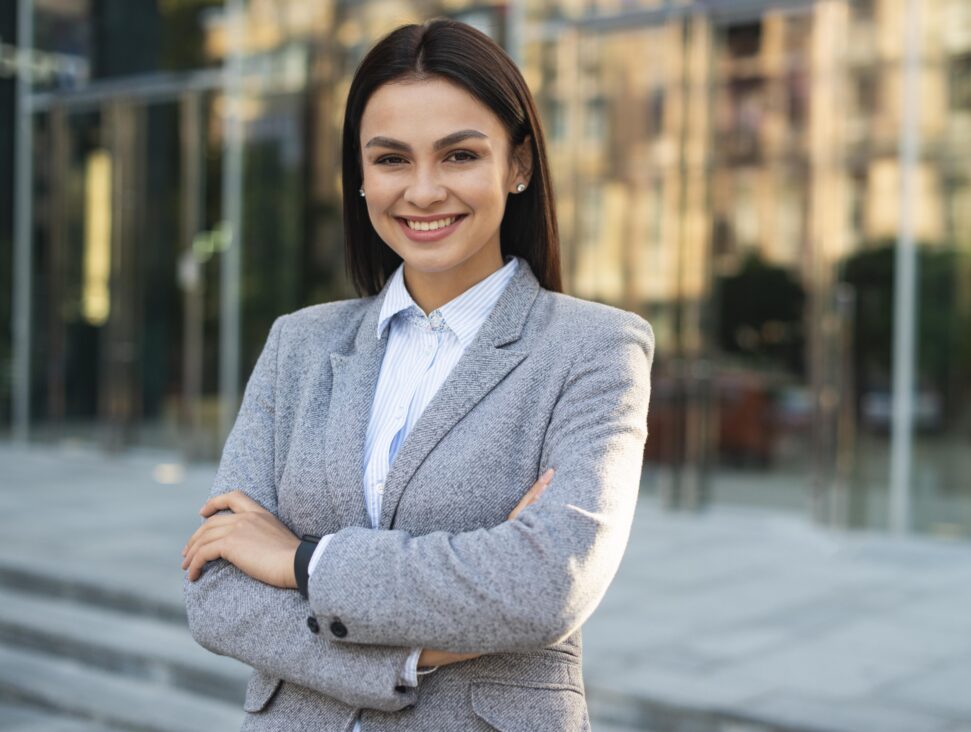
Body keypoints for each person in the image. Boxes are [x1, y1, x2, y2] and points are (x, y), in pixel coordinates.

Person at [181, 17, 654, 731]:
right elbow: (217, 594)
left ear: (518, 165)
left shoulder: (596, 348)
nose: (424, 191)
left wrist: (302, 562)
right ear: (362, 177)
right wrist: (415, 654)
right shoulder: (298, 346)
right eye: (392, 159)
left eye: (460, 155)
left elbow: (544, 583)